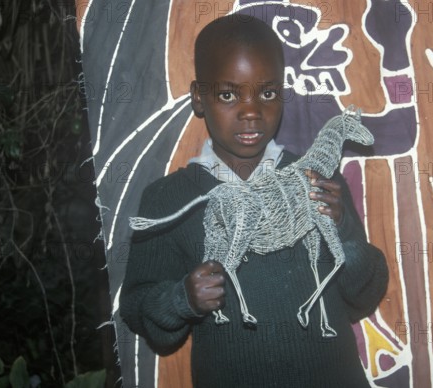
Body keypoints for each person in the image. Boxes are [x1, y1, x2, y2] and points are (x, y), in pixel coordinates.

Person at [120, 15, 388, 388]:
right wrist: (183, 299)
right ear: (199, 97)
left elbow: (363, 296)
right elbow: (137, 308)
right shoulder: (168, 200)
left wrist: (342, 230)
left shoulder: (317, 181)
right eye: (229, 94)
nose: (251, 111)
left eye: (267, 93)